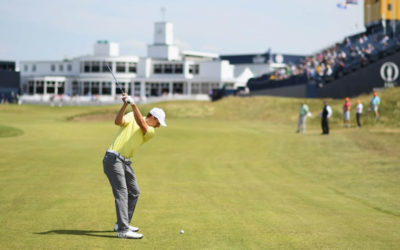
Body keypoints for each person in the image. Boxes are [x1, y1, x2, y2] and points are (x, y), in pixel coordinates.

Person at [103, 93, 166, 239]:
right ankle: (123, 230)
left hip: (125, 162)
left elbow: (141, 124)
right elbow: (117, 122)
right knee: (122, 193)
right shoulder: (132, 114)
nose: (158, 126)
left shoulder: (150, 131)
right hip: (113, 159)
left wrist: (133, 104)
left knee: (134, 191)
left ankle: (122, 224)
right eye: (158, 123)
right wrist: (125, 104)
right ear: (153, 118)